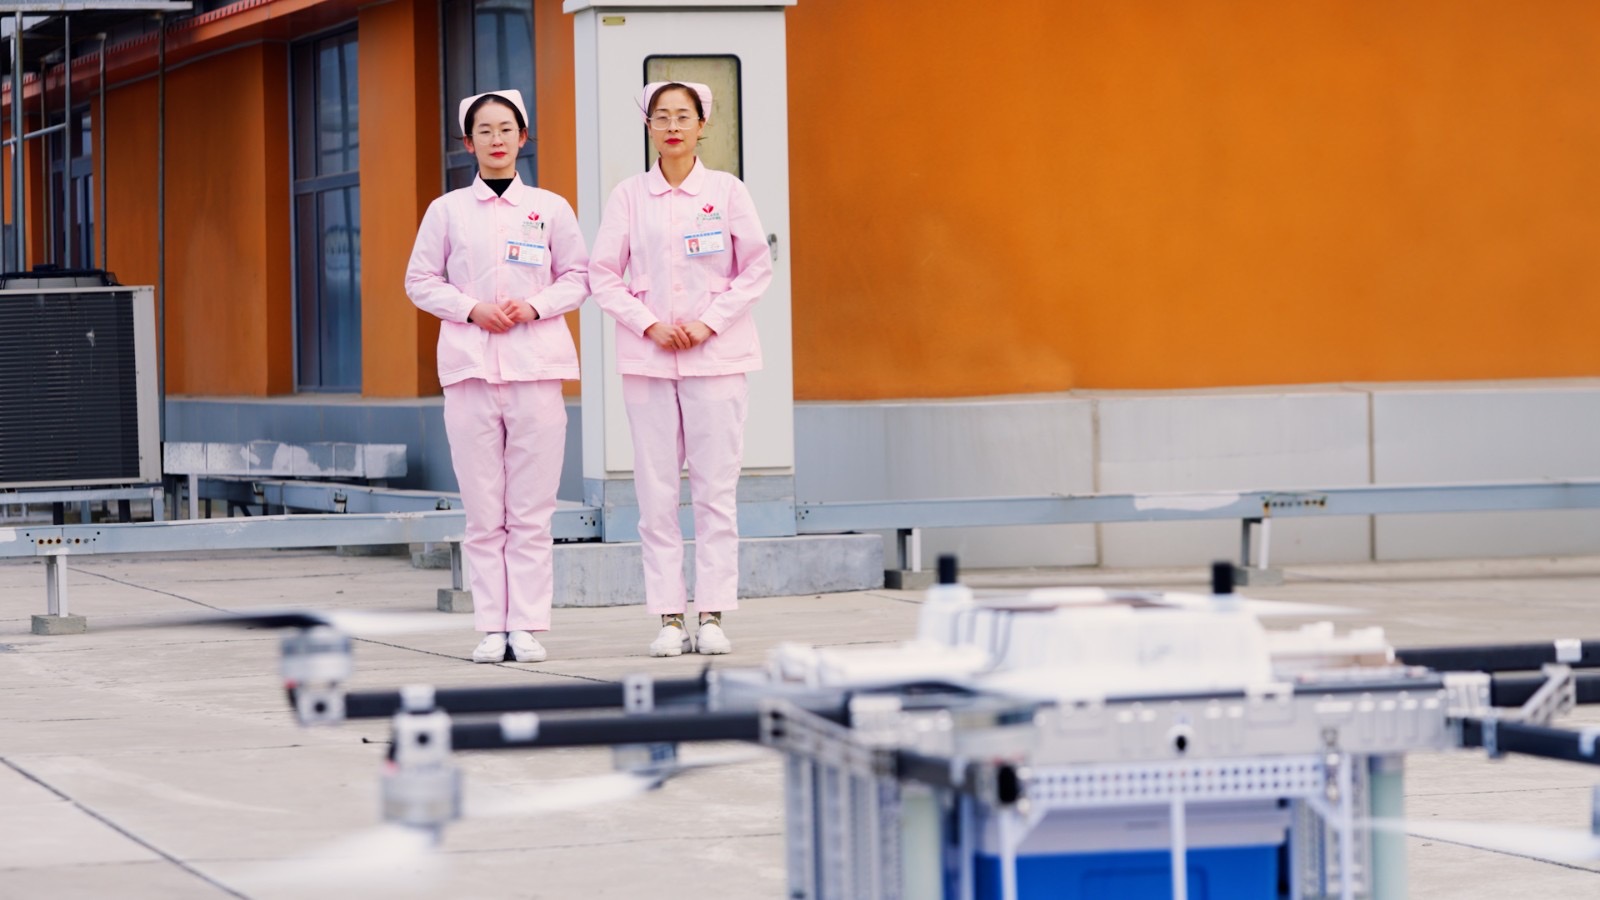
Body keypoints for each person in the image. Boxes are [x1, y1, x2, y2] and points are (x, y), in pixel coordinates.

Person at [590, 81, 773, 657]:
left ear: (702, 124)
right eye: (662, 117)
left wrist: (709, 323)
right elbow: (603, 275)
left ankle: (713, 614)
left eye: (683, 116)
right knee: (656, 493)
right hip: (648, 361)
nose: (672, 126)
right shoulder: (628, 196)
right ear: (648, 126)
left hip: (716, 359)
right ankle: (670, 617)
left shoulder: (727, 191)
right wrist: (648, 324)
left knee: (716, 491)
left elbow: (756, 268)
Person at [405, 89, 589, 663]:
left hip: (536, 370)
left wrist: (534, 307)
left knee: (531, 510)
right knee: (484, 510)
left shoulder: (551, 208)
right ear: (468, 144)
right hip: (470, 372)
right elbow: (419, 280)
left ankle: (526, 625)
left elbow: (579, 276)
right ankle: (491, 625)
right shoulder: (446, 211)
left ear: (523, 137)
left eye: (506, 129)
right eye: (484, 131)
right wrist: (471, 309)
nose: (496, 139)